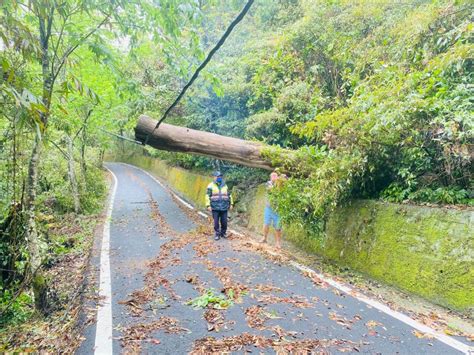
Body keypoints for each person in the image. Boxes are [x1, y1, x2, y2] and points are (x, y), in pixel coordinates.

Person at [205, 171, 233, 240]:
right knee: (216, 222)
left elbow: (229, 195)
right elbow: (207, 196)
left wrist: (231, 203)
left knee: (224, 222)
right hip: (215, 207)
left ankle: (223, 233)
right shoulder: (210, 186)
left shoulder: (225, 185)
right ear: (214, 177)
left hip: (224, 206)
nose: (219, 178)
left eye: (220, 176)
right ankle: (217, 234)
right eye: (217, 176)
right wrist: (208, 205)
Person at [261, 171, 283, 249]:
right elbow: (271, 190)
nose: (274, 177)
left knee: (278, 226)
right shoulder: (268, 184)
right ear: (270, 178)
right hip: (269, 208)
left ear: (277, 177)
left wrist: (283, 179)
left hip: (278, 209)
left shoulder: (281, 184)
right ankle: (264, 238)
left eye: (275, 176)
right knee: (266, 224)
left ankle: (277, 243)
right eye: (272, 176)